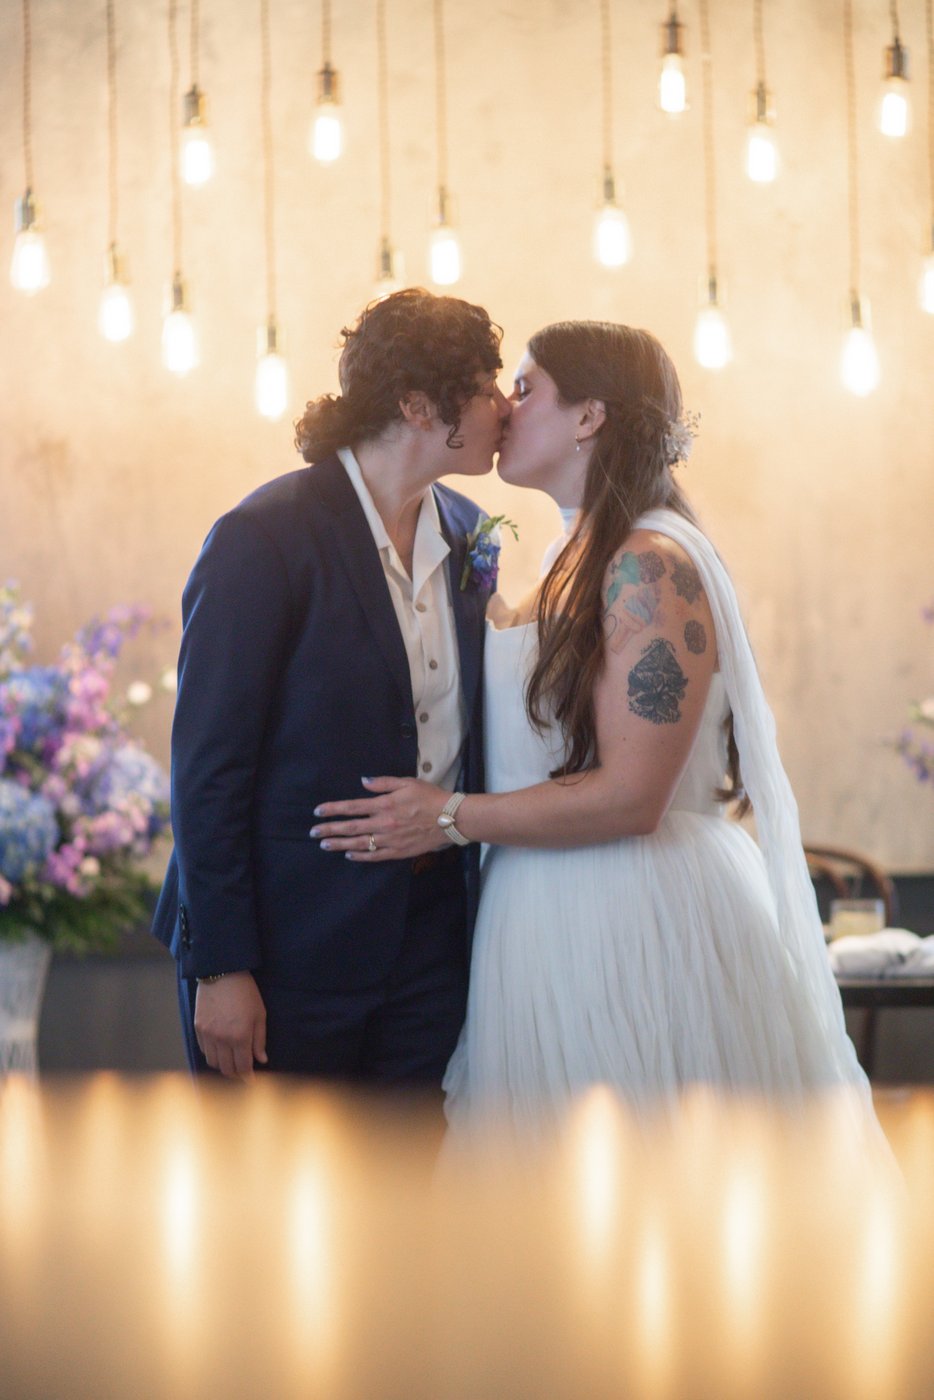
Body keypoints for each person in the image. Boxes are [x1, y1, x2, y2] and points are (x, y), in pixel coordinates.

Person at [310, 319, 875, 1139]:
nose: (507, 402)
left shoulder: (651, 564)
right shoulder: (567, 557)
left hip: (633, 914)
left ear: (589, 417)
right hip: (536, 911)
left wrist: (444, 815)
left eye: (528, 385)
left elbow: (632, 794)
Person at [152, 288, 510, 1084]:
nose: (504, 404)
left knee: (404, 1196)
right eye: (485, 385)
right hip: (286, 944)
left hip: (432, 941)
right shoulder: (263, 536)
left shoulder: (468, 529)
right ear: (418, 406)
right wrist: (221, 967)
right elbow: (208, 767)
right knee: (270, 1197)